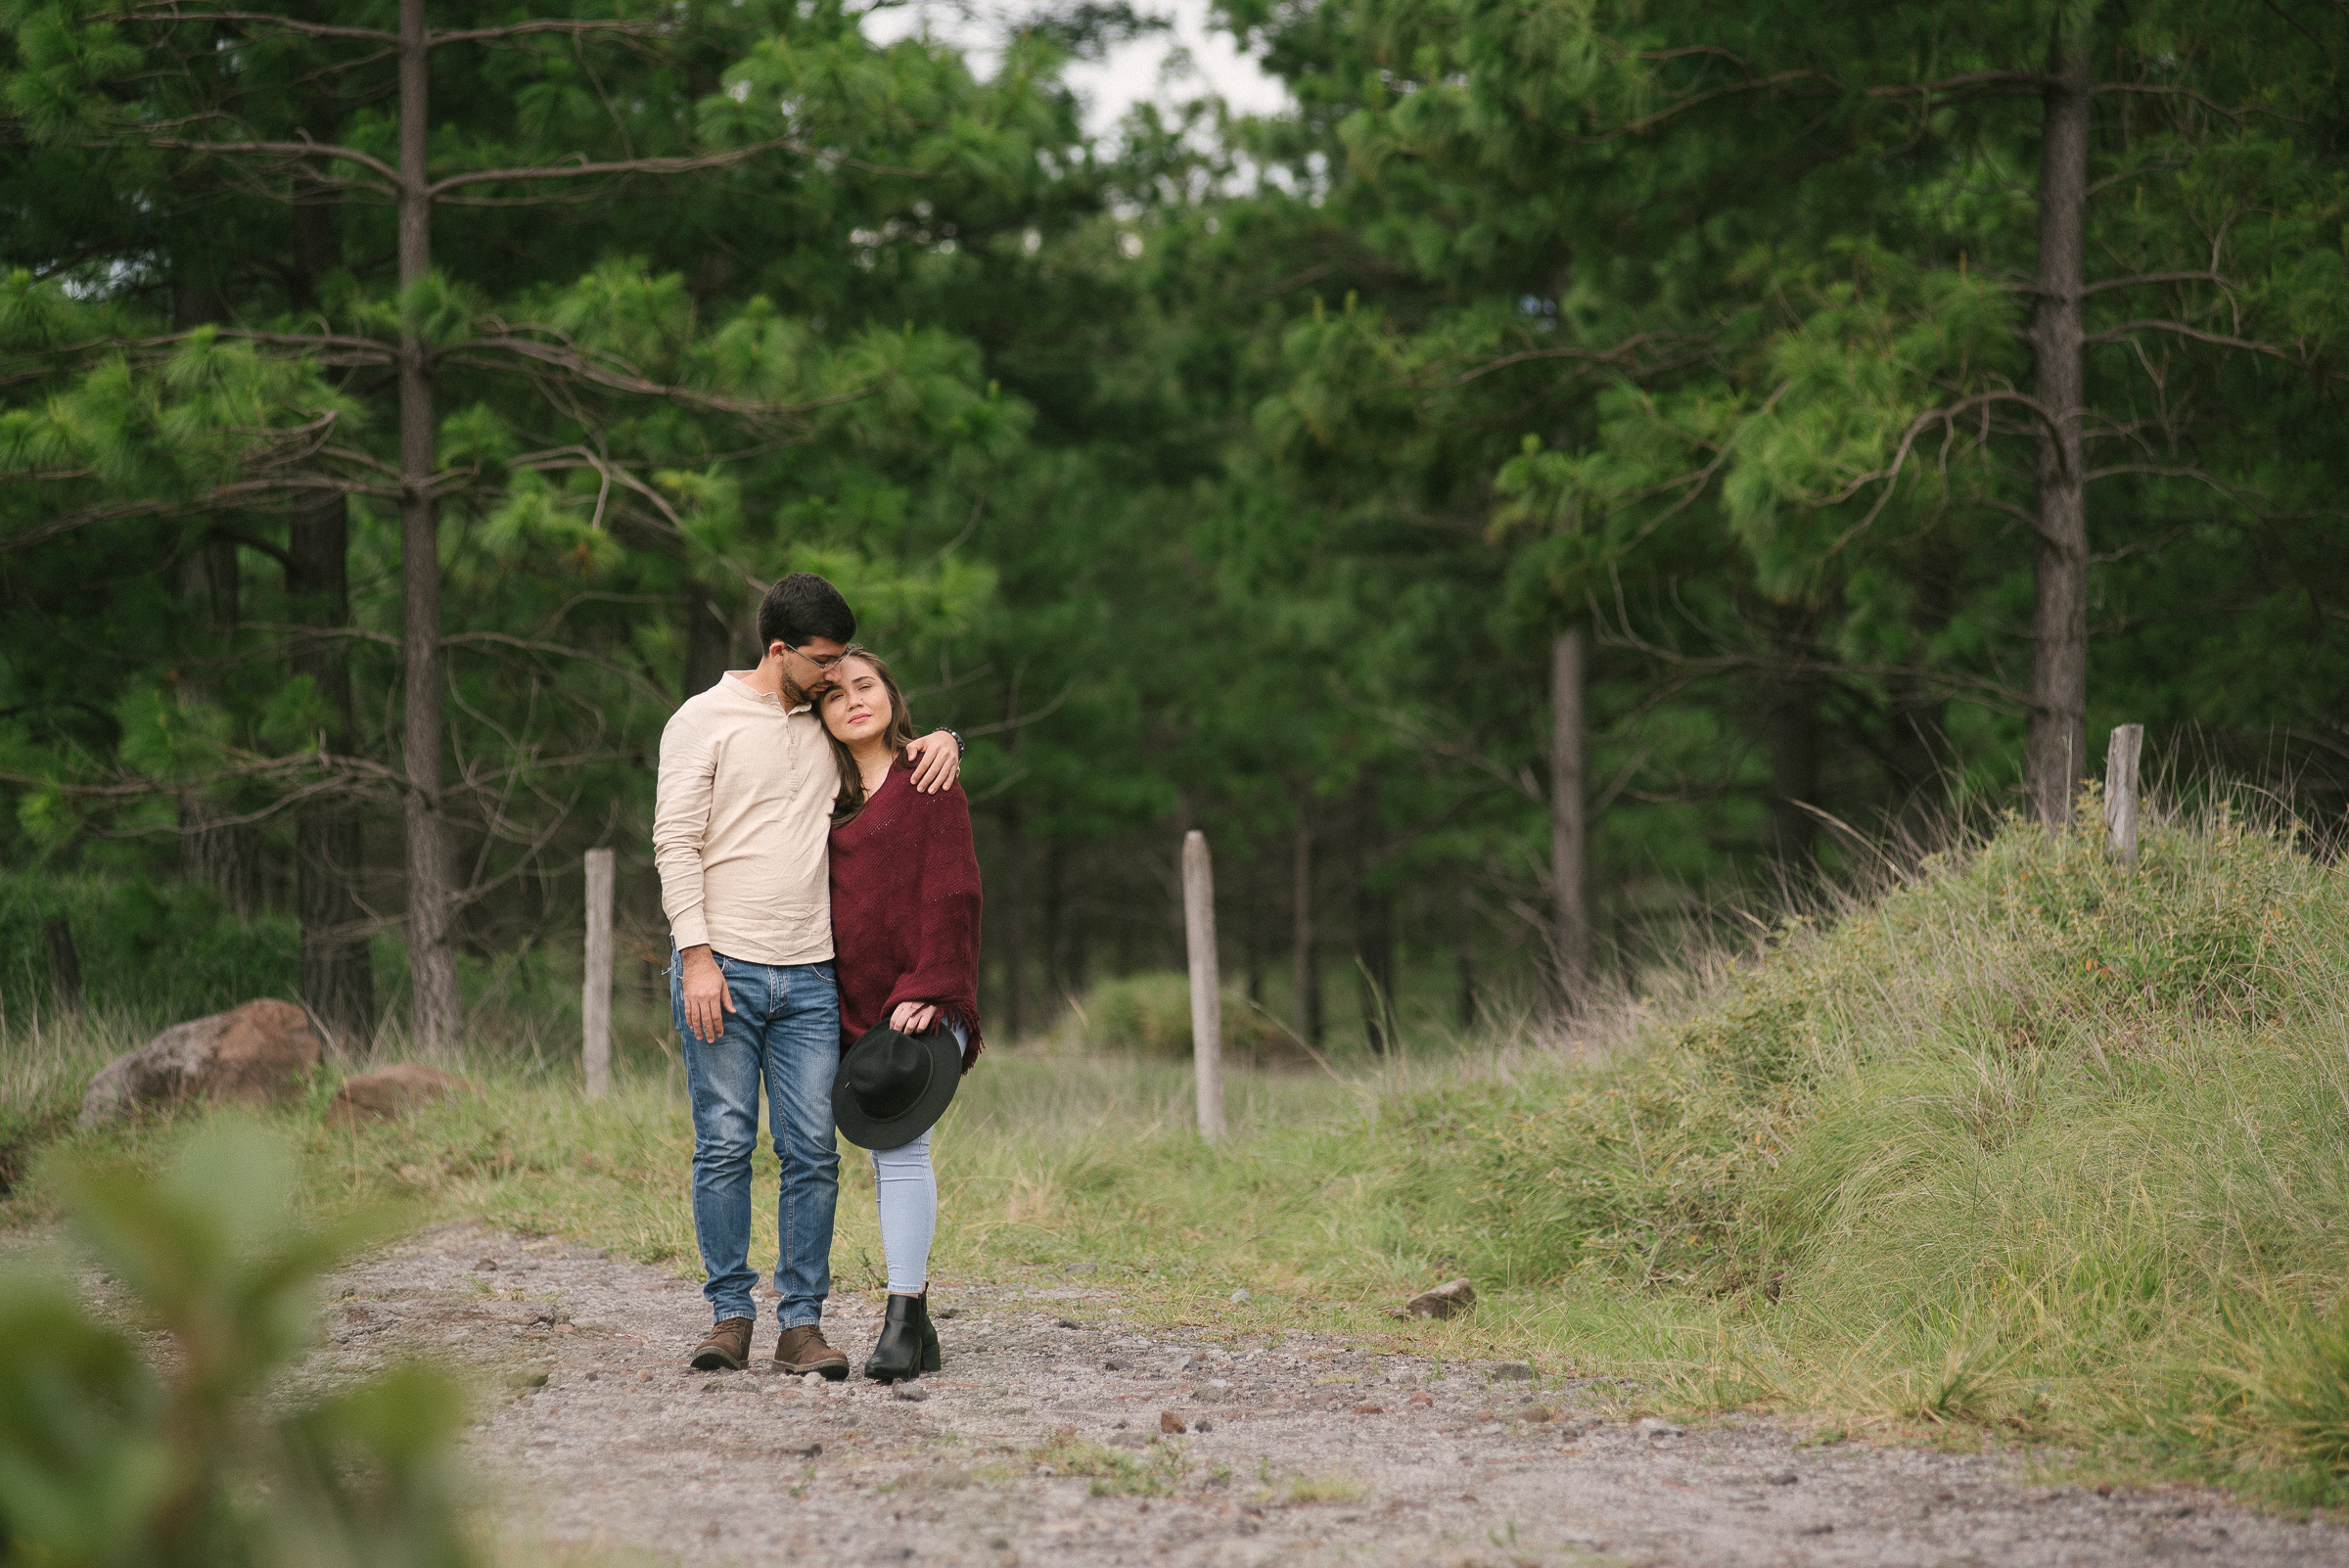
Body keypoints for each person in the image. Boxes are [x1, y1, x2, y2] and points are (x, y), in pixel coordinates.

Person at [652, 574, 963, 1375]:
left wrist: (948, 738)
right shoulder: (703, 720)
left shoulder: (819, 730)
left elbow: (895, 759)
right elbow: (674, 841)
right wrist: (695, 957)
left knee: (812, 1155)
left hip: (812, 979)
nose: (835, 677)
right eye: (823, 662)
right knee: (723, 1144)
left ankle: (801, 1325)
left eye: (844, 668)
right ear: (780, 650)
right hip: (721, 969)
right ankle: (729, 1317)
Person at [817, 646, 983, 1382]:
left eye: (865, 686)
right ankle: (918, 1331)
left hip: (918, 998)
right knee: (876, 1158)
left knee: (900, 1151)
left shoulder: (929, 776)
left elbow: (954, 890)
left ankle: (902, 1319)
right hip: (846, 1001)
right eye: (834, 696)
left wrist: (931, 985)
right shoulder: (822, 794)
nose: (853, 700)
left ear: (890, 693)